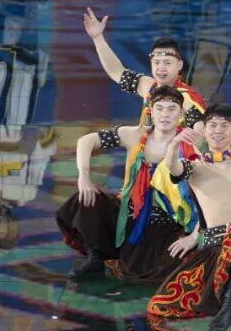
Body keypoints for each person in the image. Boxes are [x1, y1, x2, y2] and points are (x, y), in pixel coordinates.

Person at [148, 104, 231, 331]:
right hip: (215, 246)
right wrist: (175, 143)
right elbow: (172, 167)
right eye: (213, 125)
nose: (218, 130)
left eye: (225, 126)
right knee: (160, 304)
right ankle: (228, 299)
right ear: (205, 131)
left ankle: (230, 304)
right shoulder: (194, 166)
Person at [57, 86, 198, 280]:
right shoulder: (133, 135)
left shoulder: (191, 145)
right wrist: (84, 175)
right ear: (151, 111)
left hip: (167, 221)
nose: (165, 114)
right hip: (128, 212)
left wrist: (194, 235)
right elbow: (85, 141)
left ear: (180, 113)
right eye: (159, 108)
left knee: (157, 271)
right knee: (85, 201)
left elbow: (208, 194)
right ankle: (95, 257)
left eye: (171, 109)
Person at [83, 9, 206, 129]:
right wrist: (98, 38)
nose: (161, 68)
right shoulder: (148, 86)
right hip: (144, 142)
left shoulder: (187, 97)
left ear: (179, 65)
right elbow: (117, 71)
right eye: (157, 62)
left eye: (167, 63)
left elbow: (201, 131)